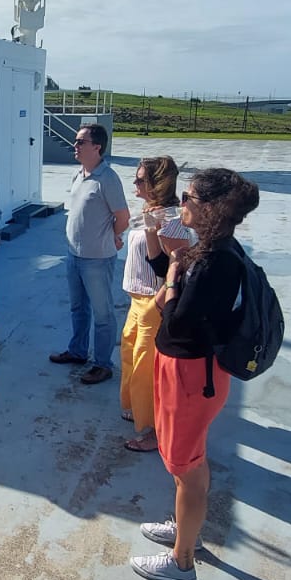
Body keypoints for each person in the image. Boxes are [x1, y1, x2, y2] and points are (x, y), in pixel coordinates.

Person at [131, 168, 260, 580]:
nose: (180, 204)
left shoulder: (216, 262)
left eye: (187, 198)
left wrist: (171, 276)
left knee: (185, 466)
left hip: (191, 375)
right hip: (187, 372)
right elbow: (161, 269)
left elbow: (178, 317)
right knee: (190, 461)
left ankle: (182, 560)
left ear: (208, 208)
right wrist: (162, 247)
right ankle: (186, 528)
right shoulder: (210, 249)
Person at [119, 157, 194, 453]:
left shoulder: (173, 222)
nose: (135, 185)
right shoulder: (152, 214)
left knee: (146, 366)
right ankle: (136, 410)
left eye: (140, 180)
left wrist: (154, 230)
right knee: (130, 352)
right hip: (137, 297)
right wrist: (150, 228)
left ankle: (154, 431)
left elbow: (168, 269)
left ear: (156, 184)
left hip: (155, 300)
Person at [49, 123, 130, 384]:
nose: (76, 145)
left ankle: (103, 364)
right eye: (76, 140)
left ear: (97, 147)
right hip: (73, 256)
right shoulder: (79, 175)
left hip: (97, 259)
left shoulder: (108, 178)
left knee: (102, 314)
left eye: (81, 141)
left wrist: (113, 236)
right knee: (78, 309)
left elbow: (123, 217)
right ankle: (78, 351)